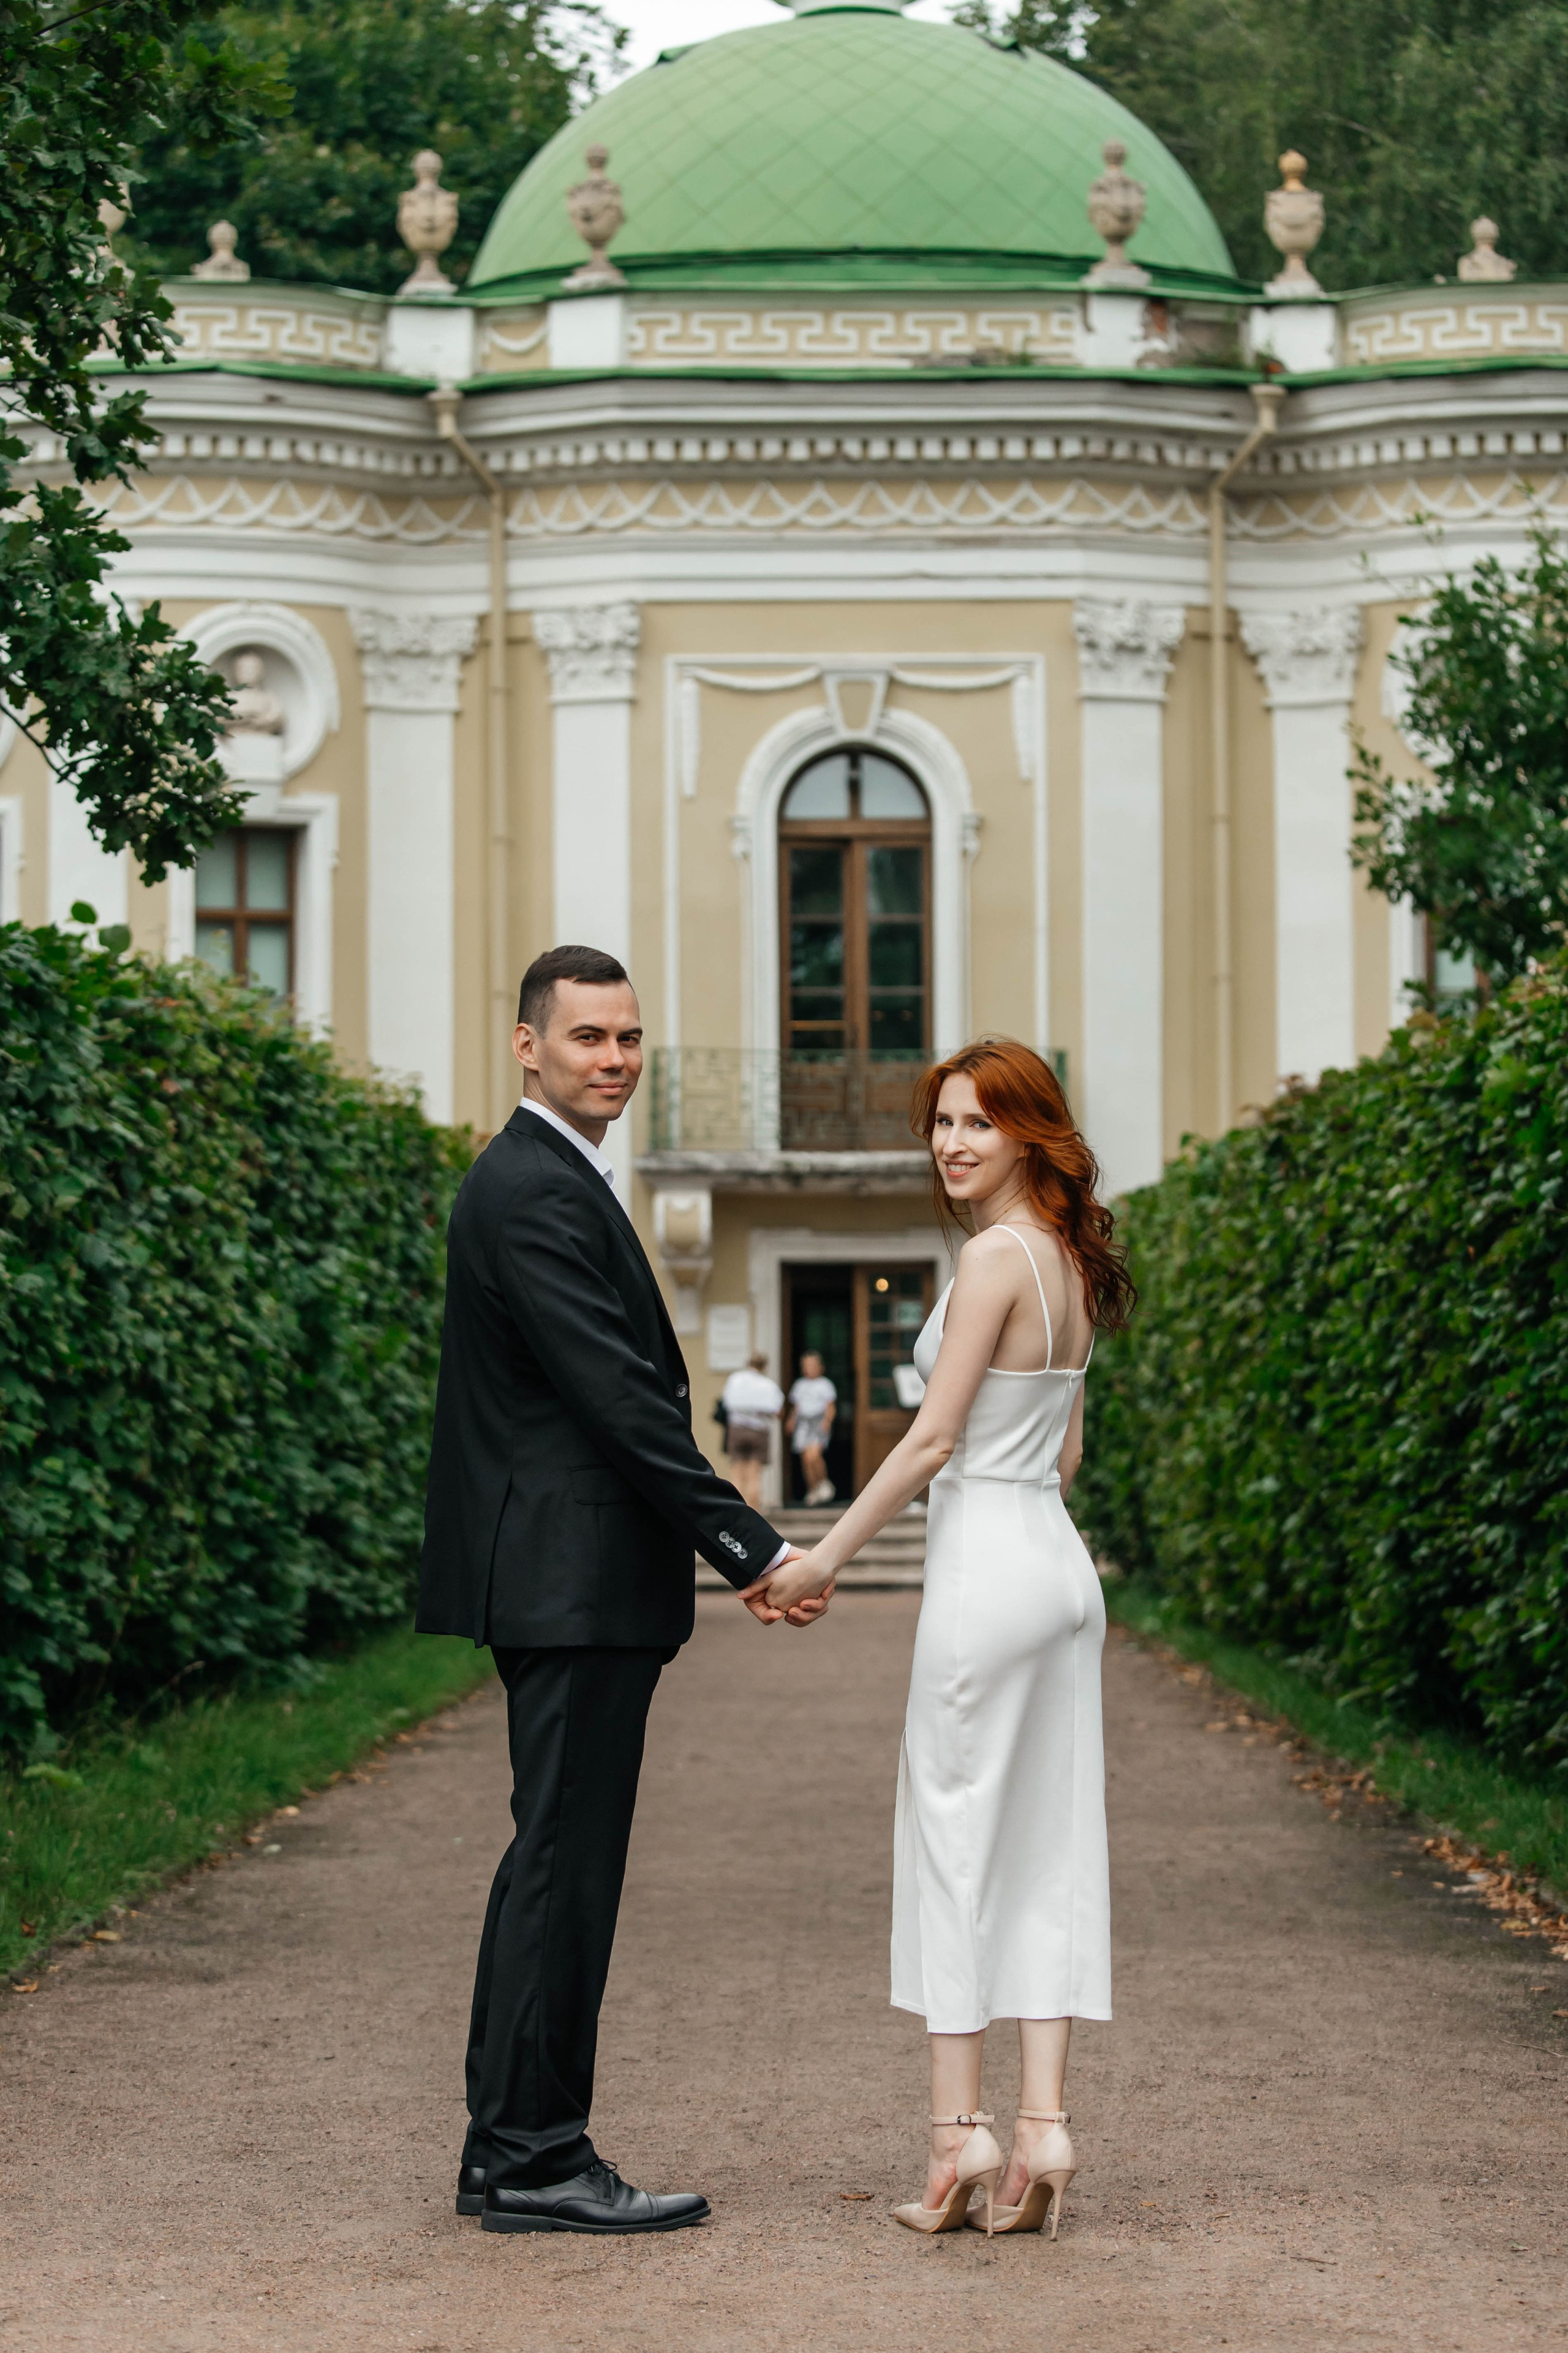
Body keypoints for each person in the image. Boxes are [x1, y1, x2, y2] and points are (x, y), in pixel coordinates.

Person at [418, 944, 826, 2238]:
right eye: (589, 1037)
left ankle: (506, 2150)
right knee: (562, 1870)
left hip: (567, 1573)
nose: (616, 1059)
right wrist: (752, 1547)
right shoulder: (531, 1187)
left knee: (548, 1862)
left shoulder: (549, 1176)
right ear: (527, 1046)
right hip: (568, 1576)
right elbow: (614, 1399)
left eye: (629, 1038)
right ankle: (536, 2157)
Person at [747, 1038, 1134, 2239]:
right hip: (1058, 1568)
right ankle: (1043, 2128)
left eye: (976, 1121)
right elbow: (1060, 1451)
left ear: (1031, 1134)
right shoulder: (1067, 1263)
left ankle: (952, 2138)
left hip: (984, 1573)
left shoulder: (988, 1261)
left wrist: (816, 1556)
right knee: (1049, 1842)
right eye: (941, 1123)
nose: (952, 1142)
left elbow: (927, 1443)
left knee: (953, 1843)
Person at [718, 1350, 784, 1511]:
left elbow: (726, 1402)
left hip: (737, 1429)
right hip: (759, 1430)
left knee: (737, 1473)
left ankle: (736, 1511)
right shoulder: (769, 1385)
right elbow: (778, 1411)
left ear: (748, 1364)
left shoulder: (735, 1379)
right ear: (765, 1367)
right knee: (755, 1475)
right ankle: (754, 1512)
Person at [785, 1350, 838, 1505]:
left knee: (814, 1455)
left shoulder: (825, 1385)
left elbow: (830, 1406)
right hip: (803, 1423)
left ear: (820, 1367)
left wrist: (828, 1421)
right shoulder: (800, 1385)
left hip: (817, 1422)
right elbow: (796, 1407)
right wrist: (791, 1421)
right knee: (806, 1459)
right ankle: (813, 1488)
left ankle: (823, 1482)